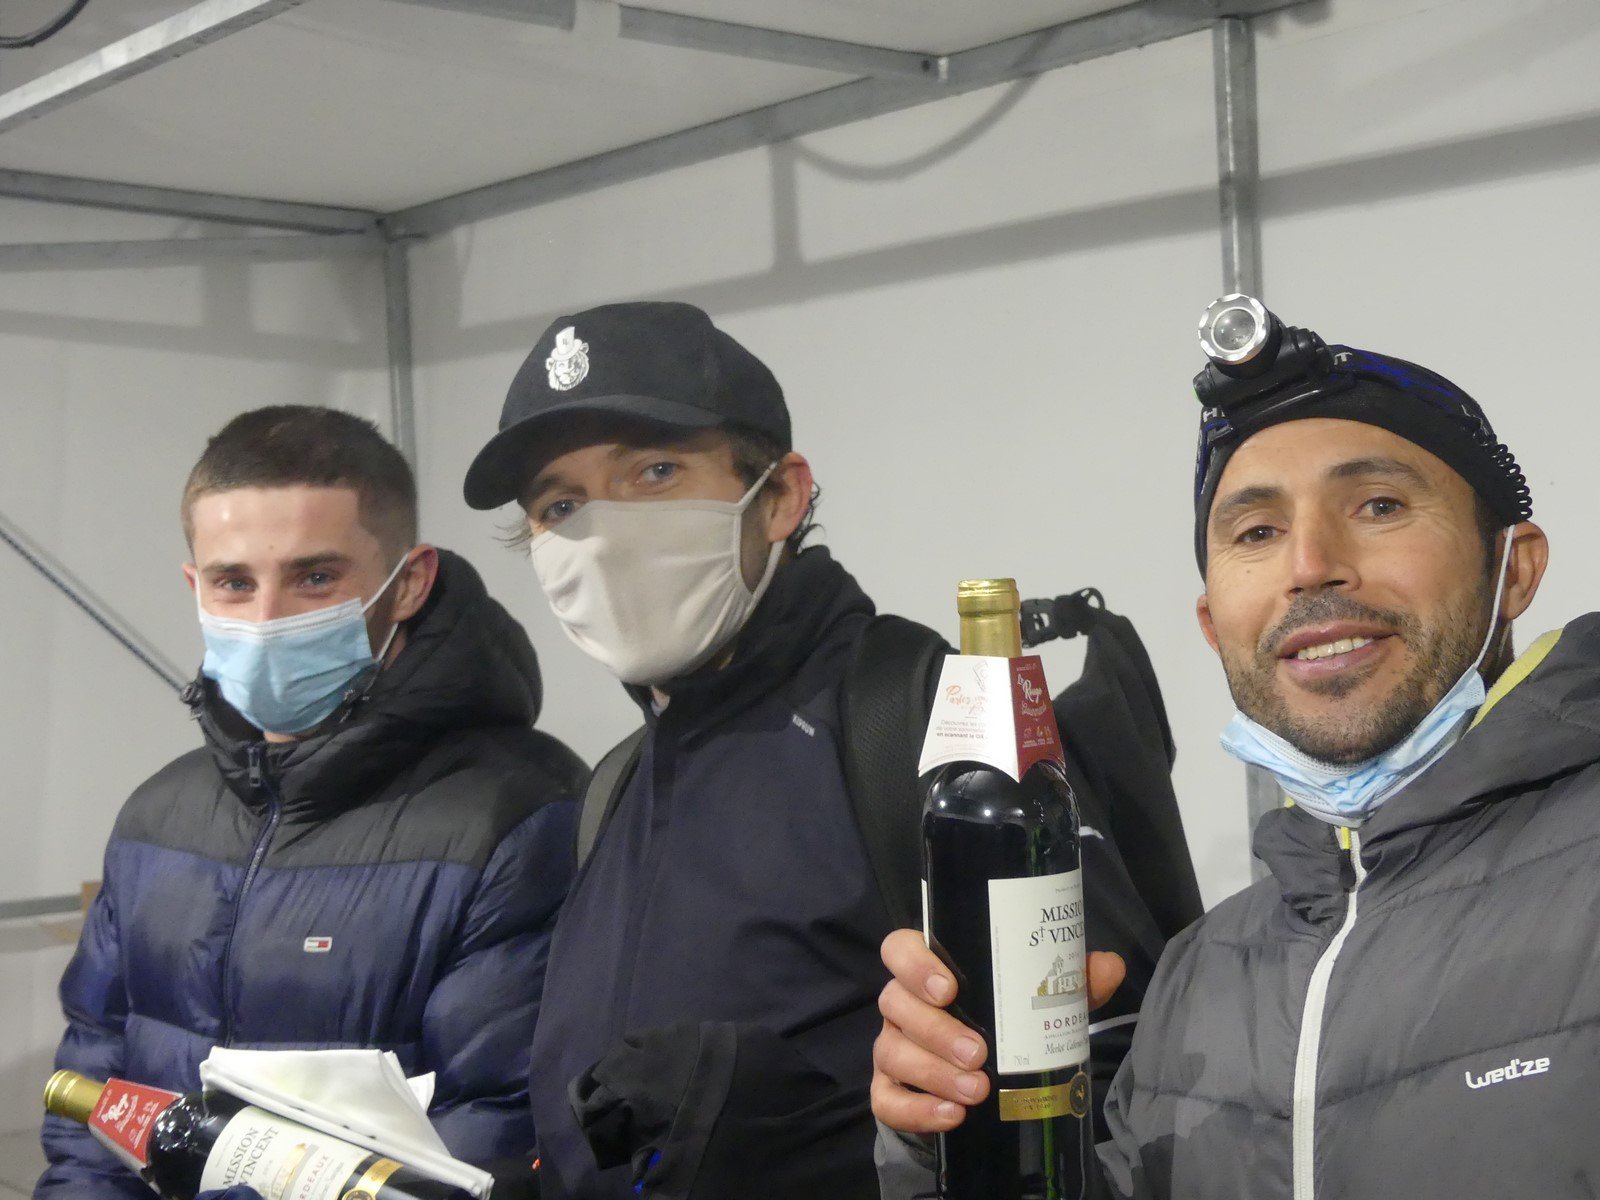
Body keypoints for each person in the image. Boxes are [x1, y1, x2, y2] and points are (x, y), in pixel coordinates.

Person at [867, 298, 1600, 1198]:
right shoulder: (1198, 977)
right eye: (1257, 532)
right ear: (1216, 625)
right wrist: (947, 1136)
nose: (1310, 565)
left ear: (1514, 569)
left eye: (1378, 505)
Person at [462, 301, 1190, 1200]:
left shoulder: (925, 716)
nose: (601, 536)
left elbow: (1118, 1079)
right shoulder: (617, 782)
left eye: (654, 471)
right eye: (560, 505)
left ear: (780, 496)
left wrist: (824, 1145)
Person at [38, 406, 585, 1198]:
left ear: (409, 583)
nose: (267, 620)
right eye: (234, 583)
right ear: (196, 587)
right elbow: (94, 1104)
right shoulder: (158, 817)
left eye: (315, 578)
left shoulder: (514, 816)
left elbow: (493, 1134)